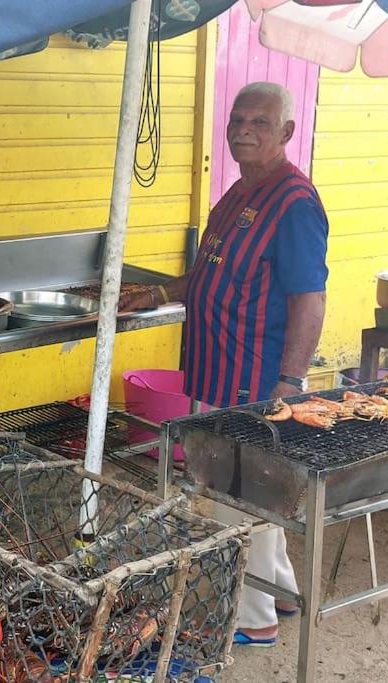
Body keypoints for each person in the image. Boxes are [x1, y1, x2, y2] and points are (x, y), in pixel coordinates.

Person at [120, 81, 328, 647]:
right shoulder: (237, 194)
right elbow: (211, 275)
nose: (243, 129)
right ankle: (279, 592)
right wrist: (160, 293)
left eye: (260, 122)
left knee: (238, 497)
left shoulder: (294, 205)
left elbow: (309, 299)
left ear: (286, 133)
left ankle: (249, 617)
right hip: (215, 370)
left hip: (254, 380)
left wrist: (289, 383)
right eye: (238, 119)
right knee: (250, 490)